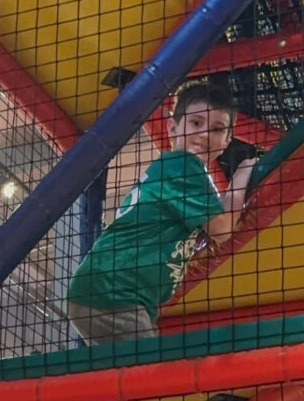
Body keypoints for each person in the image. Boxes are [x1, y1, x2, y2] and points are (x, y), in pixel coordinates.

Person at [66, 80, 256, 345]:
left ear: (226, 142)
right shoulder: (183, 167)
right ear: (173, 128)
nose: (204, 135)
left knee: (127, 378)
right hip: (114, 294)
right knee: (152, 375)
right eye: (196, 123)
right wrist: (240, 179)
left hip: (103, 292)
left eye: (216, 129)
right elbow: (222, 230)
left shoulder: (174, 169)